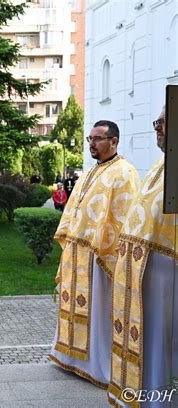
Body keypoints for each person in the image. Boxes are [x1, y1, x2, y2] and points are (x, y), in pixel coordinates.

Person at [49, 120, 139, 388]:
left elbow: (126, 218)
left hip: (101, 256)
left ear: (114, 141)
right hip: (78, 255)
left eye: (98, 139)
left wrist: (111, 253)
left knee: (99, 310)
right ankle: (70, 356)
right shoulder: (89, 172)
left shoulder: (125, 173)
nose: (92, 144)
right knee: (74, 305)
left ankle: (97, 365)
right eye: (90, 138)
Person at [108, 108, 178, 407]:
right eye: (156, 123)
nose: (157, 129)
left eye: (162, 122)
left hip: (168, 276)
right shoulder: (160, 164)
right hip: (144, 276)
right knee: (151, 343)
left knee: (165, 343)